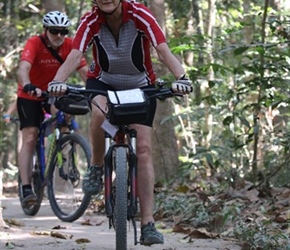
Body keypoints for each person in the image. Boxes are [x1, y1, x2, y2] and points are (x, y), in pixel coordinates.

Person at [47, 0, 192, 245]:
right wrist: (57, 81)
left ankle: (148, 223)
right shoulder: (89, 20)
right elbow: (75, 54)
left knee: (144, 151)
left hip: (140, 84)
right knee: (100, 114)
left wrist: (182, 77)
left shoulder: (140, 14)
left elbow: (162, 49)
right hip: (103, 82)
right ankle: (95, 166)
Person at [17, 11, 88, 208]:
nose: (59, 36)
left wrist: (94, 90)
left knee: (65, 118)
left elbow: (84, 71)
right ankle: (26, 187)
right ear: (45, 30)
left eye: (63, 32)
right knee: (30, 136)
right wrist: (28, 85)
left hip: (54, 94)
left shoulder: (70, 45)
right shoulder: (34, 43)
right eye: (54, 31)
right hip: (29, 94)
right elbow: (23, 68)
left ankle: (64, 151)